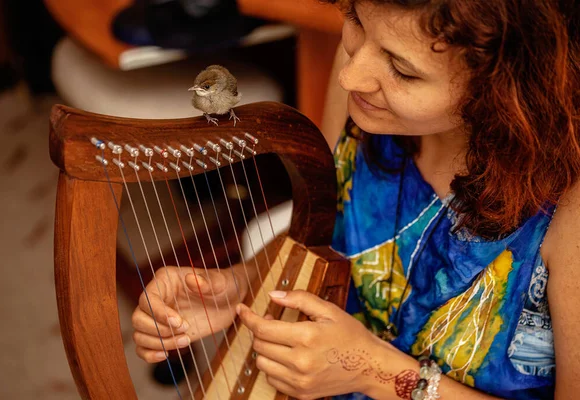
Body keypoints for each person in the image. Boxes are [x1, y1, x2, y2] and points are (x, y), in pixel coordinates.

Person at [130, 0, 580, 398]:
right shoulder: (366, 101)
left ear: (507, 90)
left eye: (402, 70)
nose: (350, 74)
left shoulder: (571, 211)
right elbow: (324, 231)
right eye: (356, 20)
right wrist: (244, 282)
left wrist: (371, 373)